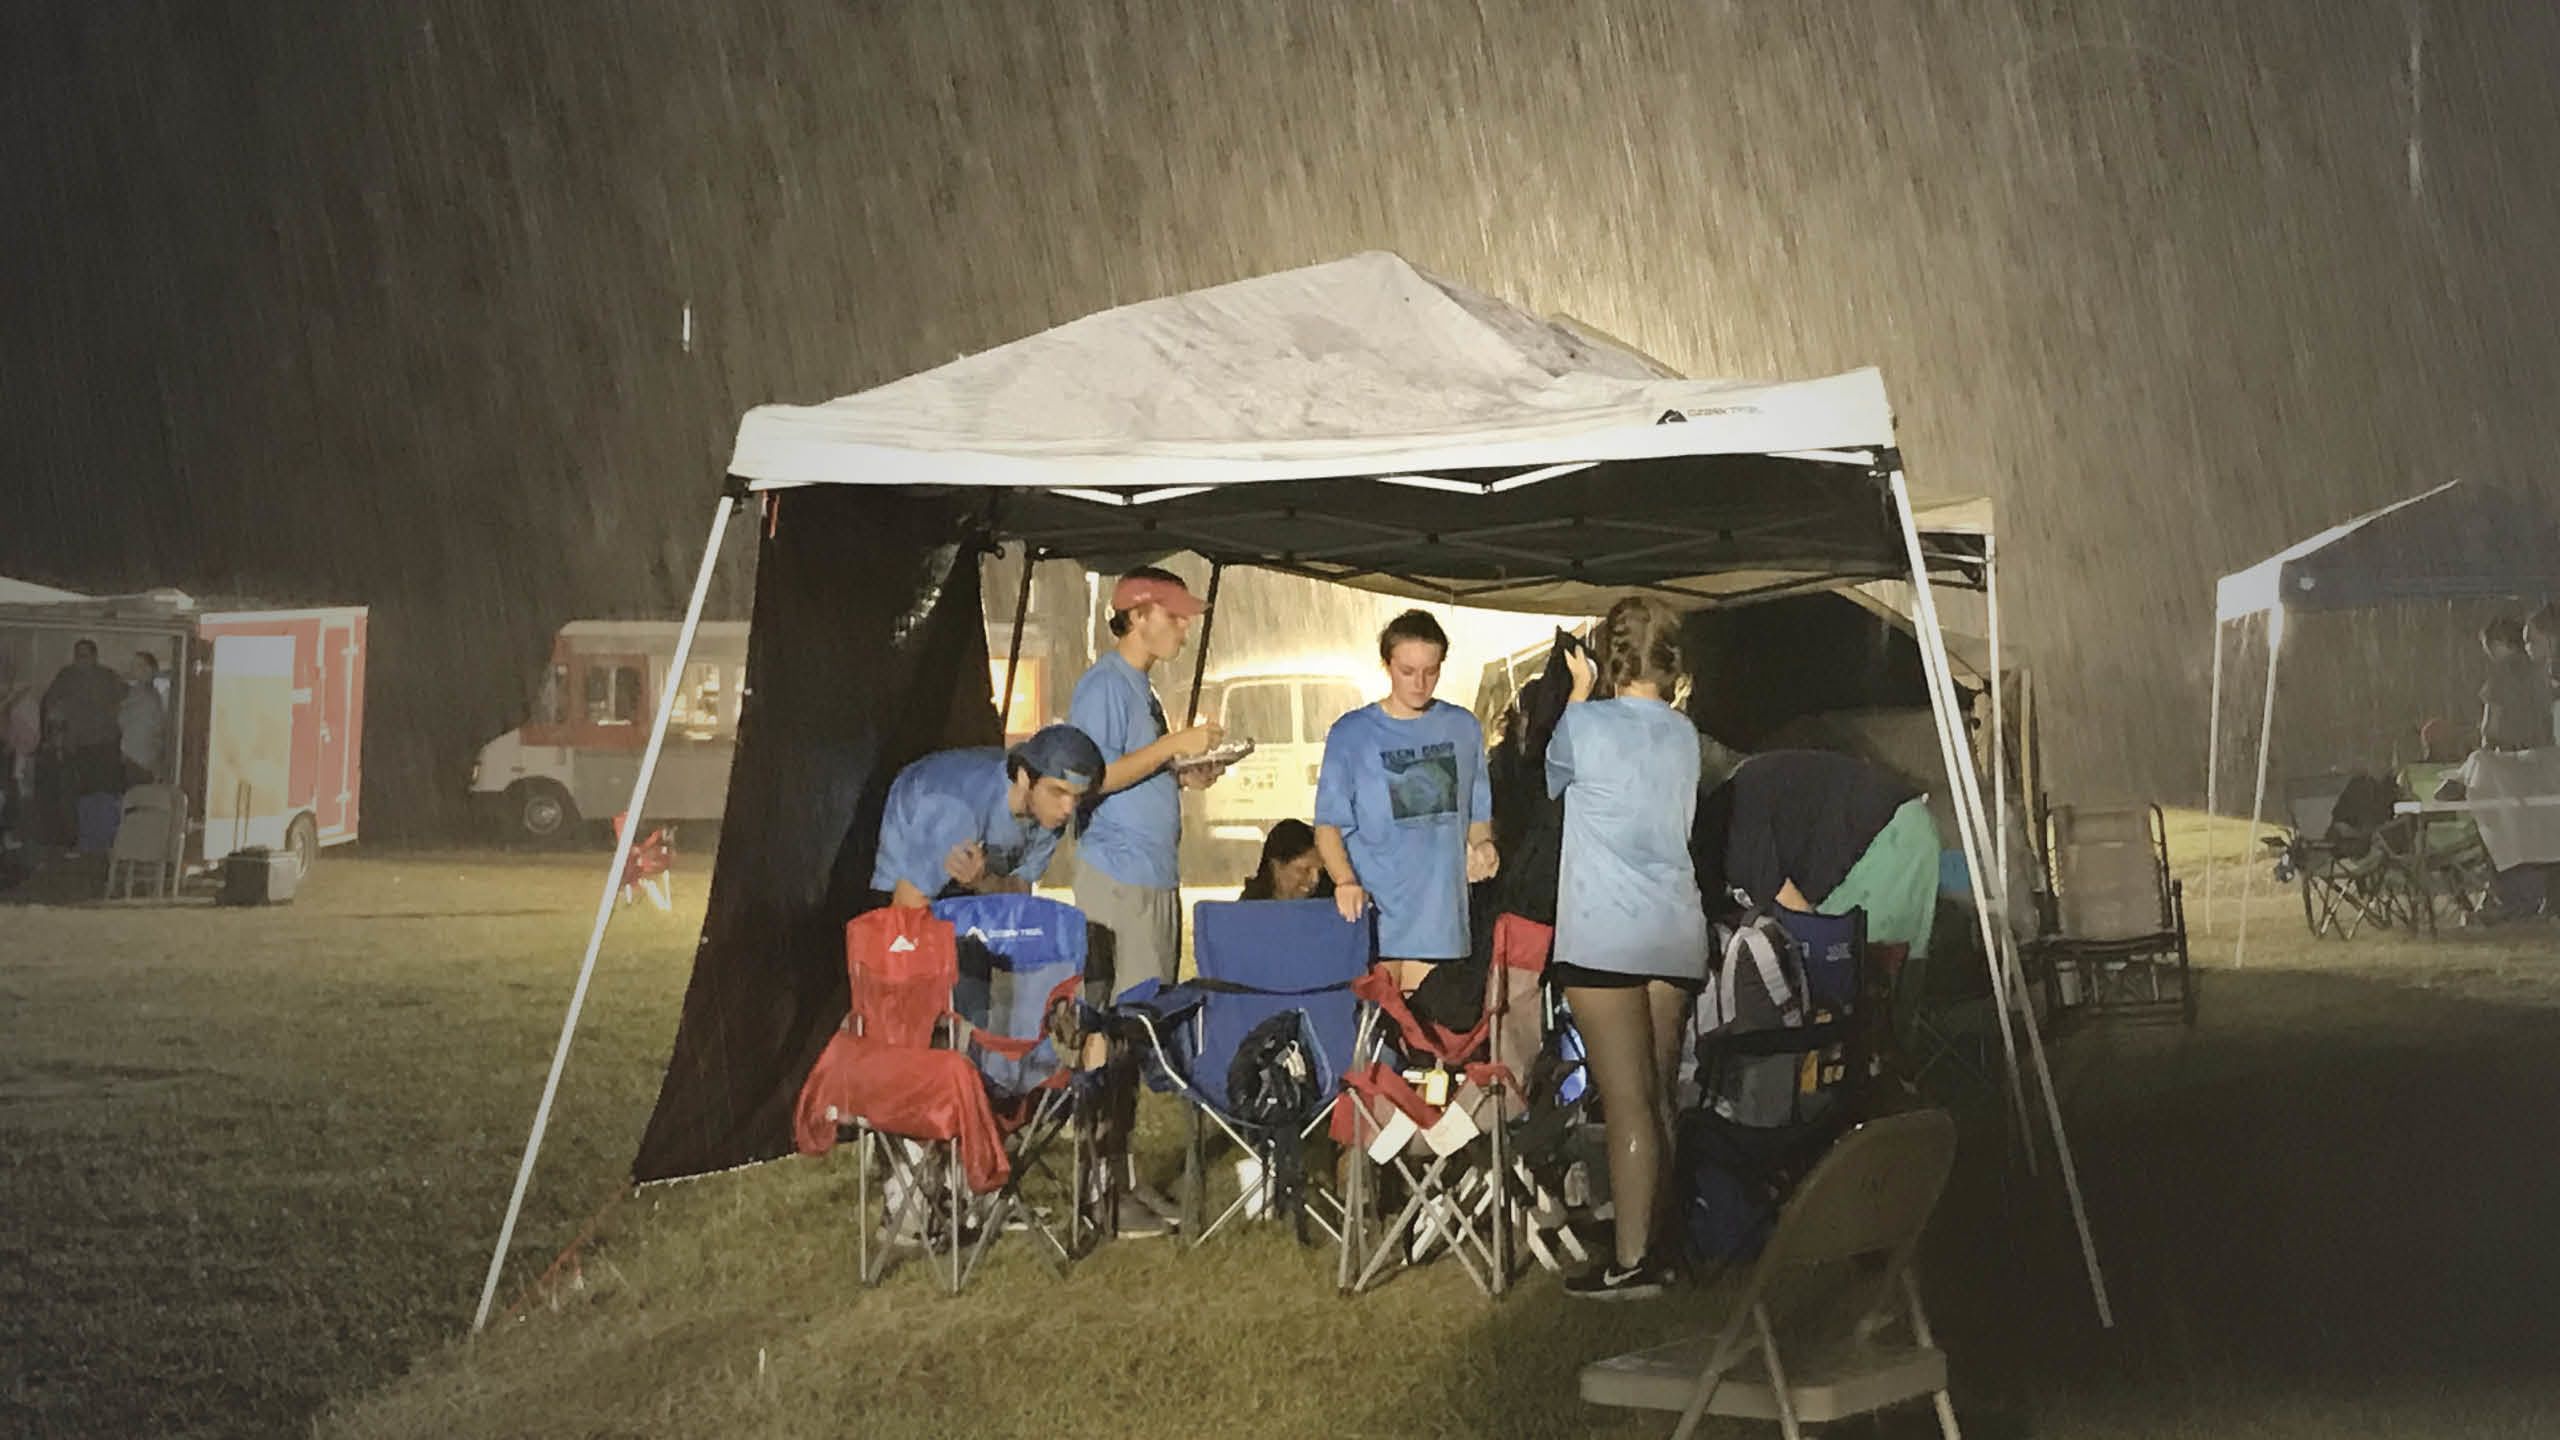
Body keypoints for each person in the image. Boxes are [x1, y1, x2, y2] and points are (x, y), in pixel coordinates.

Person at [1545, 598, 1708, 1300]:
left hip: (1605, 932)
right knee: (1662, 1097)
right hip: (1675, 930)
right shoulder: (1685, 735)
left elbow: (1549, 781)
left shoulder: (1582, 726)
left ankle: (1633, 1260)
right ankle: (1663, 1245)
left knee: (1627, 1103)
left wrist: (1578, 692)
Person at [1068, 566, 1226, 1236]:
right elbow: (1086, 776)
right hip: (1118, 879)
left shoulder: (1141, 688)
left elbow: (1132, 768)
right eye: (1175, 614)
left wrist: (1182, 770)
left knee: (1137, 1028)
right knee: (1111, 1029)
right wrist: (1171, 747)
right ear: (1138, 613)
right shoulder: (1105, 684)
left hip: (1151, 878)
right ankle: (1099, 1189)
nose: (1185, 626)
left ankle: (1121, 1177)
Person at [1313, 609, 1497, 990]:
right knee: (1374, 1041)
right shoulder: (1352, 734)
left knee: (1430, 1043)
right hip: (1374, 921)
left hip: (1440, 924)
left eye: (1430, 671)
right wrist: (1344, 880)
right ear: (1387, 665)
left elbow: (1478, 811)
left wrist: (1484, 845)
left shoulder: (1462, 728)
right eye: (1407, 671)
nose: (1419, 683)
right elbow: (1328, 824)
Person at [1693, 748, 1943, 961]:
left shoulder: (1732, 830)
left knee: (1864, 978)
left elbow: (1803, 921)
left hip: (1888, 839)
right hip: (1868, 846)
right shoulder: (1727, 815)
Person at [869, 724, 1104, 909]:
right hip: (903, 896)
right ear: (1024, 778)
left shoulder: (1049, 816)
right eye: (1058, 792)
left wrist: (983, 881)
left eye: (1078, 797)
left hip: (967, 898)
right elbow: (908, 903)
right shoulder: (960, 807)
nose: (1068, 809)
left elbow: (1020, 893)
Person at [42, 639, 126, 803]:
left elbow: (124, 701)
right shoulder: (66, 676)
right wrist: (56, 739)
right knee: (73, 793)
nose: (81, 659)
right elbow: (51, 706)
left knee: (101, 791)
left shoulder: (108, 677)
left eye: (85, 655)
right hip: (74, 746)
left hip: (103, 745)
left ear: (95, 656)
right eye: (78, 655)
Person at [2477, 616, 2554, 754]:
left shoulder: (2500, 676)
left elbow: (2491, 726)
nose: (2488, 653)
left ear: (2500, 642)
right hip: (2545, 753)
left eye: (2488, 646)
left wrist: (2486, 750)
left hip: (2511, 757)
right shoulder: (2542, 672)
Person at [1238, 818, 1328, 902]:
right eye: (1306, 870)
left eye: (1320, 871)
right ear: (1276, 866)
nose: (1315, 880)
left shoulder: (1327, 905)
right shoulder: (1247, 910)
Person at [118, 652, 167, 787]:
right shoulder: (134, 693)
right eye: (133, 665)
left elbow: (157, 730)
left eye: (140, 665)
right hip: (131, 756)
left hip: (143, 759)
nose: (135, 669)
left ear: (149, 669)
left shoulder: (150, 697)